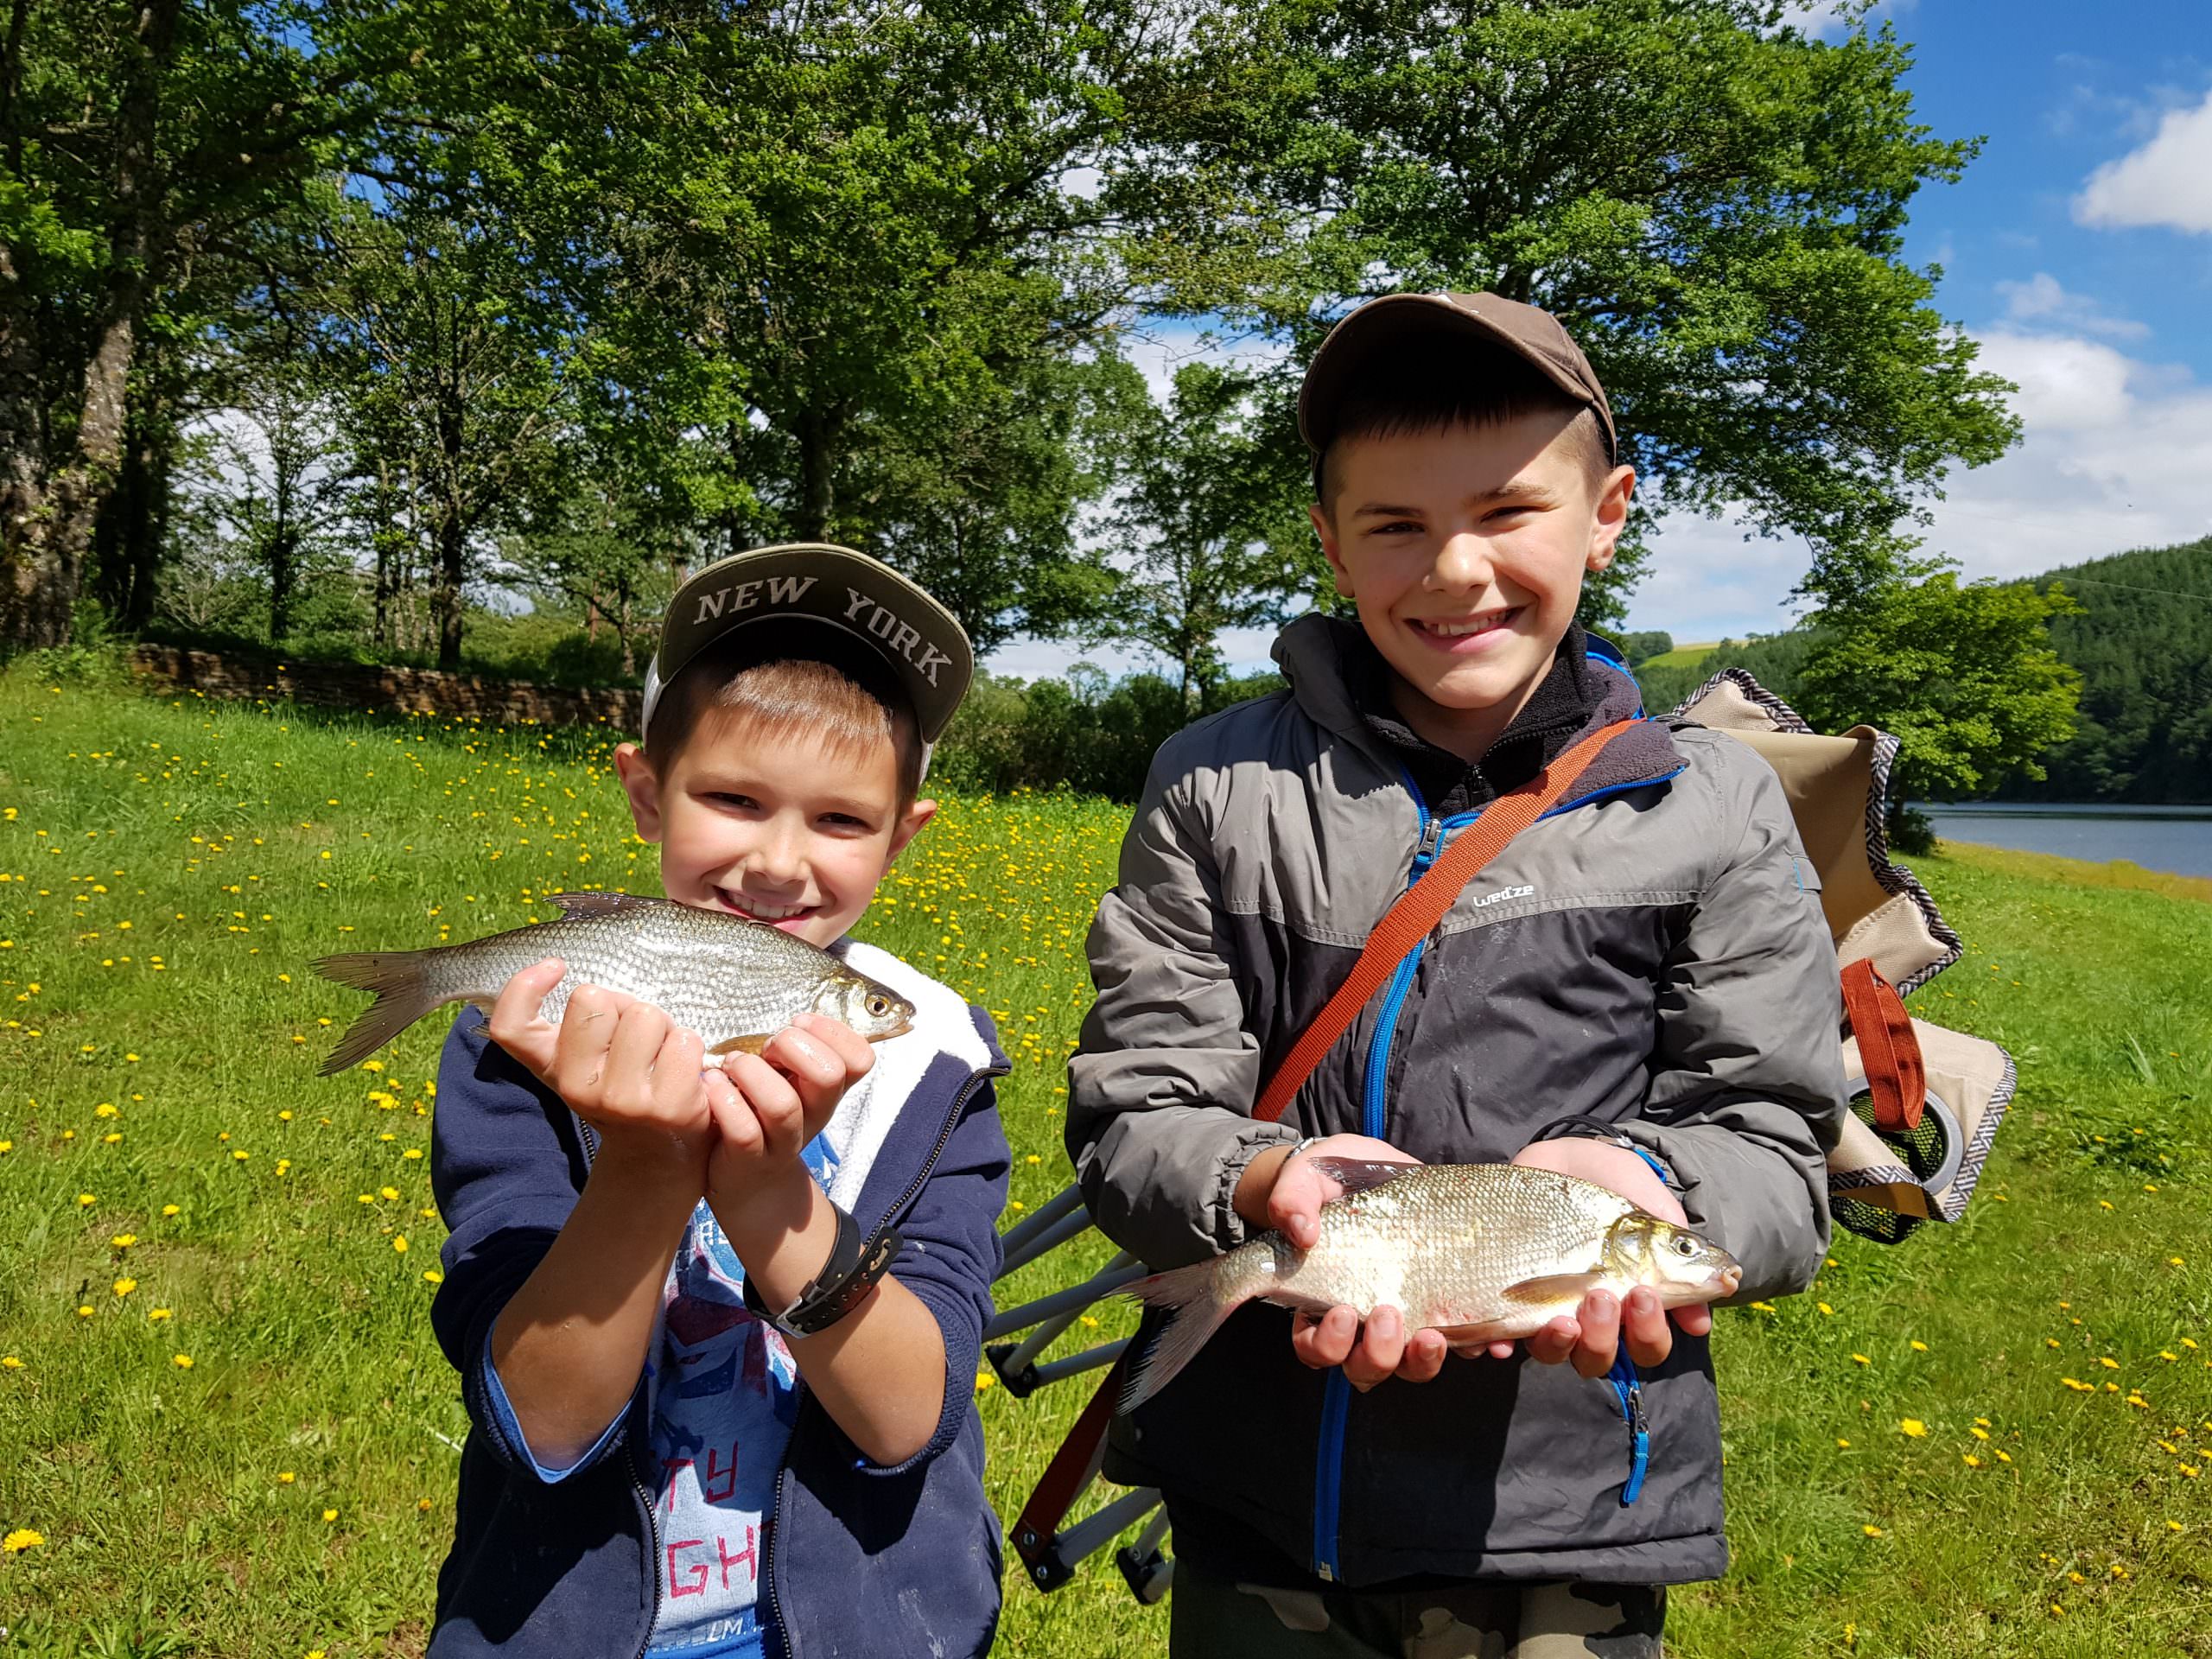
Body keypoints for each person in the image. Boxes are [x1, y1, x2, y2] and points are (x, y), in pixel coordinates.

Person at [1067, 293, 1847, 1656]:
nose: (1454, 571)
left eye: (1505, 513)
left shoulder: (1713, 805)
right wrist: (1260, 1181)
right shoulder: (1213, 783)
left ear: (1606, 514)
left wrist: (1646, 1184)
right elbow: (1135, 1109)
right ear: (1327, 541)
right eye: (1396, 527)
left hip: (1566, 1524)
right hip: (1258, 1497)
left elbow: (1778, 1149)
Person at [425, 543, 1011, 1659]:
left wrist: (765, 1192)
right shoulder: (526, 1041)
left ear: (904, 837)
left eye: (841, 821)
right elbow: (537, 1431)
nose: (780, 864)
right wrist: (646, 1170)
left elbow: (907, 1420)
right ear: (647, 794)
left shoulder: (937, 1064)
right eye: (734, 799)